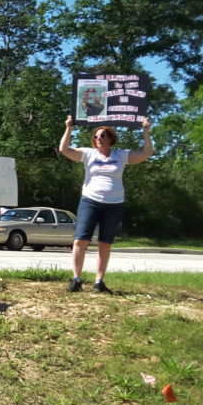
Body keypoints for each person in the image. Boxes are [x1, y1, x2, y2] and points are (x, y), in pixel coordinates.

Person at [58, 115, 153, 293]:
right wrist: (69, 128)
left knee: (105, 242)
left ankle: (99, 281)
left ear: (110, 139)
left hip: (114, 203)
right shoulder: (88, 154)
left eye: (102, 136)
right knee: (80, 240)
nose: (98, 139)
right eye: (96, 137)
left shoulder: (121, 155)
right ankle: (76, 279)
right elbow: (64, 149)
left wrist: (146, 131)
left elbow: (146, 154)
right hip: (90, 200)